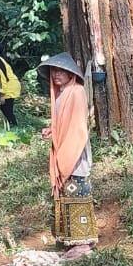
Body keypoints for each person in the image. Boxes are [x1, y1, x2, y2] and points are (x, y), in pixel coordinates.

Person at [40, 52, 95, 246]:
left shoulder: (77, 91)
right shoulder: (62, 94)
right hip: (64, 149)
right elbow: (62, 123)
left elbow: (76, 127)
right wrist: (52, 130)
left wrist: (68, 153)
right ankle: (69, 239)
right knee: (67, 196)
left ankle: (82, 243)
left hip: (75, 152)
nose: (56, 75)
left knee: (77, 194)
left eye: (61, 71)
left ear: (70, 73)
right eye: (53, 71)